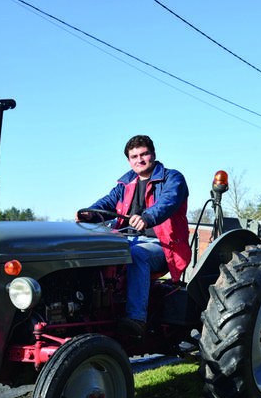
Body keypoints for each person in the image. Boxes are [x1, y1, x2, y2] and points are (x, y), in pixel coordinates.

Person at [76, 135, 191, 338]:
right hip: (125, 240)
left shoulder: (173, 179)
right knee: (92, 250)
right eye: (134, 156)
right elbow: (106, 203)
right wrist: (89, 213)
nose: (140, 159)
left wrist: (147, 218)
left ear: (153, 155)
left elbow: (167, 203)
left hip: (162, 245)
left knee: (137, 254)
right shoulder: (125, 184)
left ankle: (136, 319)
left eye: (144, 154)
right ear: (129, 161)